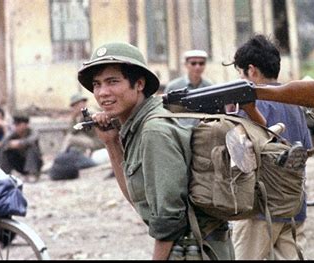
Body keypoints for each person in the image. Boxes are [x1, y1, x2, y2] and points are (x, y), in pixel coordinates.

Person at [77, 42, 234, 260]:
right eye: (97, 84)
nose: (103, 93)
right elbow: (139, 201)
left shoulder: (154, 131)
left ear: (139, 83)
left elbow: (168, 222)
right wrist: (111, 143)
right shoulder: (139, 125)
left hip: (195, 250)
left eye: (112, 82)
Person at [226, 34, 312, 260]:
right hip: (294, 205)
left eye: (241, 73)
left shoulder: (252, 104)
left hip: (261, 210)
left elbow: (240, 159)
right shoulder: (295, 102)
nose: (241, 78)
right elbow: (307, 150)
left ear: (252, 71)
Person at [0, 112, 43, 182]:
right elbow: (4, 142)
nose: (16, 127)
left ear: (25, 125)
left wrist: (19, 143)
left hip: (34, 164)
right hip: (20, 163)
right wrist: (10, 145)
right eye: (15, 125)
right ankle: (4, 173)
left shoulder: (33, 132)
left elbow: (31, 140)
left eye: (18, 125)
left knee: (32, 148)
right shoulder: (13, 133)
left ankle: (32, 174)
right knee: (6, 150)